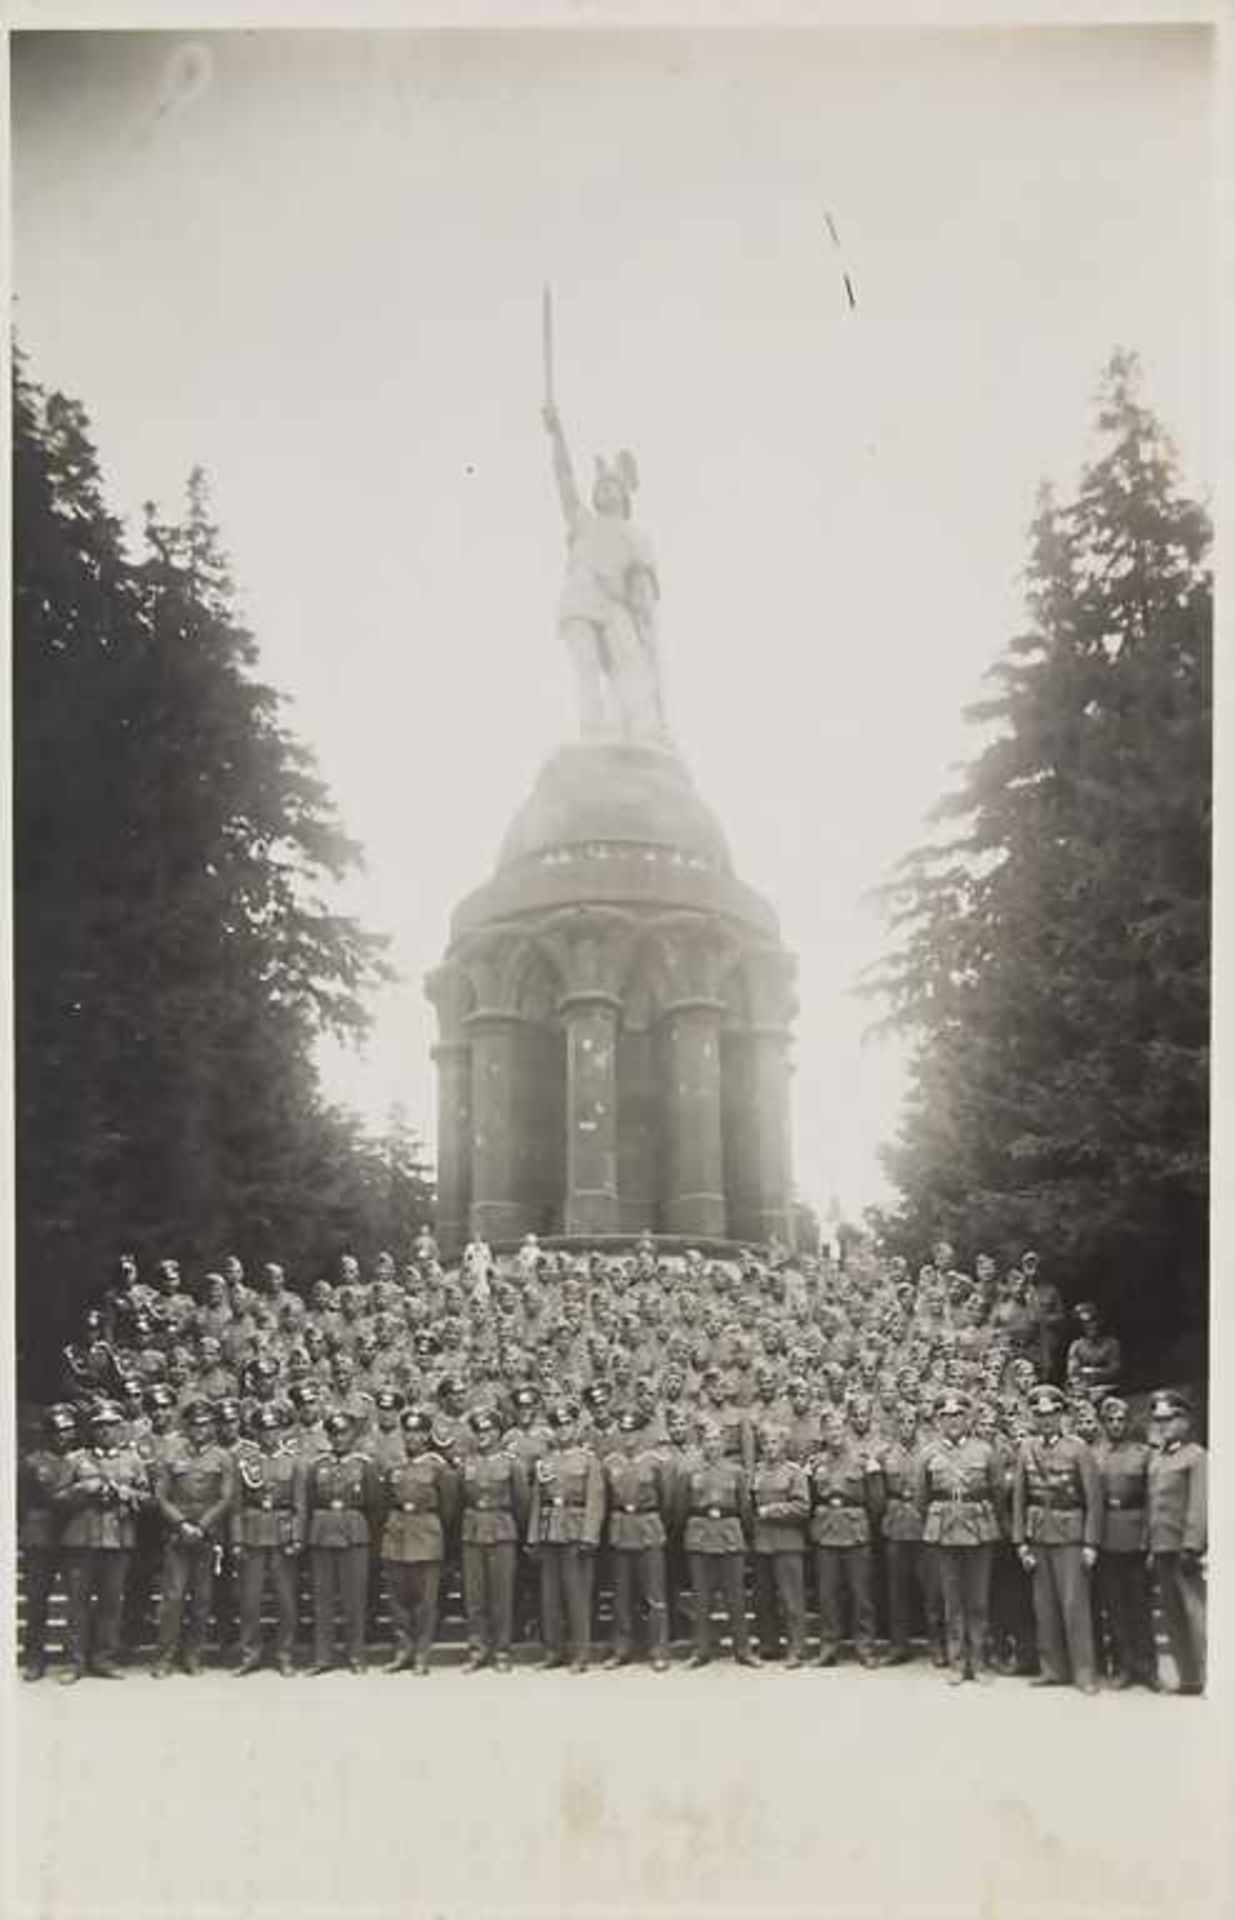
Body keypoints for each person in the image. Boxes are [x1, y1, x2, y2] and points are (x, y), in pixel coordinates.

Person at [542, 402, 667, 746]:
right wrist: (557, 436)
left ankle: (643, 727)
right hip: (581, 599)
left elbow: (642, 587)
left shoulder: (634, 535)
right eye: (600, 488)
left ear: (624, 496)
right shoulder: (583, 523)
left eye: (612, 487)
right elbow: (565, 481)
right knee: (586, 666)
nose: (604, 491)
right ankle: (592, 730)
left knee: (630, 661)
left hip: (615, 605)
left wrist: (643, 622)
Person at [1011, 1383, 1102, 1694]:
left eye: (1051, 1414)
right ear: (1033, 1417)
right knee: (1044, 1607)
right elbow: (1019, 1498)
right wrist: (1020, 1541)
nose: (1046, 1420)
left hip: (1070, 1535)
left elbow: (1094, 1500)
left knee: (1074, 1606)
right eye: (1039, 1415)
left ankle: (1084, 1673)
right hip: (1038, 1534)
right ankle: (1052, 1669)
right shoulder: (1026, 1449)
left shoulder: (1078, 1449)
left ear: (1062, 1415)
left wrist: (1091, 1543)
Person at [55, 1400, 150, 1683]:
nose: (106, 1431)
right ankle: (75, 1662)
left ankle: (103, 1658)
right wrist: (81, 1488)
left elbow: (147, 1499)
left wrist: (126, 1494)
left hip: (118, 1539)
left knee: (111, 1603)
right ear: (92, 1430)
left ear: (121, 1429)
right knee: (77, 1604)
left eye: (112, 1426)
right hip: (81, 1540)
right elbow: (57, 1499)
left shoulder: (133, 1460)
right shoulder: (75, 1459)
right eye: (100, 1426)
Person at [915, 1390, 1002, 1685]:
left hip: (979, 1530)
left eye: (958, 1415)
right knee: (952, 1600)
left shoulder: (985, 1451)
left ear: (968, 1418)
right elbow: (920, 1498)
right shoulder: (927, 1454)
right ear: (938, 1420)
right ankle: (957, 1661)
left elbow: (997, 1491)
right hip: (944, 1532)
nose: (952, 1421)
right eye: (946, 1416)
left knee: (978, 1600)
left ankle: (978, 1661)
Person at [151, 1397, 237, 1677]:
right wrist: (181, 1524)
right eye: (196, 1424)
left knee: (202, 1600)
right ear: (187, 1426)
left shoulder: (223, 1457)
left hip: (207, 1536)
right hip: (178, 1537)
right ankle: (165, 1656)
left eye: (207, 1424)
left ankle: (193, 1655)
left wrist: (201, 1526)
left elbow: (225, 1498)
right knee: (172, 1600)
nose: (201, 1429)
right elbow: (161, 1497)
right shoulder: (172, 1454)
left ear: (213, 1426)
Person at [299, 1410, 379, 1674]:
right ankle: (323, 1656)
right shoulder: (317, 1465)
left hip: (354, 1533)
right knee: (322, 1600)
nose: (338, 1439)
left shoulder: (365, 1464)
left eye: (343, 1433)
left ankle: (356, 1655)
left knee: (354, 1599)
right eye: (333, 1434)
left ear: (353, 1435)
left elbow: (376, 1505)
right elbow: (310, 1502)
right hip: (322, 1533)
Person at [379, 1409, 458, 1675]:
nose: (412, 1438)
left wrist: (437, 1533)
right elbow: (384, 1501)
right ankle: (403, 1650)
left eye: (418, 1433)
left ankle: (422, 1653)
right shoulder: (395, 1465)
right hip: (396, 1534)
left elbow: (449, 1508)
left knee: (425, 1601)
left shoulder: (438, 1466)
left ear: (427, 1436)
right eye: (408, 1432)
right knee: (398, 1600)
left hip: (426, 1535)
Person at [528, 1402, 605, 1673]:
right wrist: (534, 1536)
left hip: (575, 1530)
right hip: (550, 1531)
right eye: (558, 1426)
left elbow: (596, 1499)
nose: (562, 1430)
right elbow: (538, 1500)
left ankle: (581, 1653)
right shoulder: (544, 1461)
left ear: (575, 1426)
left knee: (577, 1596)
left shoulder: (588, 1460)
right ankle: (554, 1651)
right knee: (550, 1597)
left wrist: (589, 1535)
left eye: (567, 1424)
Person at [807, 1408, 881, 1668]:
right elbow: (811, 1499)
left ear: (845, 1431)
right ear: (824, 1434)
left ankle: (865, 1648)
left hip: (855, 1531)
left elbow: (876, 1502)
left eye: (839, 1429)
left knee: (861, 1594)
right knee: (827, 1595)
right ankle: (829, 1648)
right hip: (826, 1533)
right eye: (830, 1430)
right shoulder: (816, 1463)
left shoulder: (861, 1461)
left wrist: (864, 1526)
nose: (835, 1434)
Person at [679, 1420, 757, 1668]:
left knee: (736, 1598)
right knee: (702, 1599)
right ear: (702, 1444)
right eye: (708, 1441)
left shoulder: (736, 1471)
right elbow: (680, 1508)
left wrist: (745, 1535)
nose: (712, 1445)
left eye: (716, 1441)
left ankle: (742, 1651)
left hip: (729, 1536)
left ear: (723, 1445)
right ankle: (701, 1651)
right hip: (700, 1536)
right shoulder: (690, 1472)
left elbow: (745, 1508)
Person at [232, 1403, 301, 1676]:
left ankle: (285, 1654)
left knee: (286, 1600)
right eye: (263, 1430)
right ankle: (251, 1653)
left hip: (283, 1535)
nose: (269, 1435)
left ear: (281, 1431)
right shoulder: (245, 1461)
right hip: (253, 1534)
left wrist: (297, 1537)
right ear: (256, 1432)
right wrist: (237, 1540)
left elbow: (300, 1505)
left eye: (273, 1429)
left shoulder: (293, 1461)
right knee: (250, 1600)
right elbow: (236, 1506)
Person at [1092, 1395, 1156, 1690]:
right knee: (1114, 1607)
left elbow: (1152, 1500)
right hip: (1106, 1537)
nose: (1117, 1425)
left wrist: (1148, 1538)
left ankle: (1149, 1668)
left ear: (1129, 1422)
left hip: (1135, 1536)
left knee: (1140, 1606)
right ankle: (1124, 1666)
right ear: (1103, 1424)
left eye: (1121, 1420)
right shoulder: (1095, 1454)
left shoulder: (1144, 1454)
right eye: (1111, 1420)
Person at [602, 1406, 672, 1672]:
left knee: (654, 1596)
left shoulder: (655, 1462)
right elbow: (608, 1500)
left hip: (648, 1528)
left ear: (642, 1433)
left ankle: (659, 1650)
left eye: (633, 1431)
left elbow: (668, 1501)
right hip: (621, 1529)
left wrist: (654, 1521)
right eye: (624, 1431)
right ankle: (622, 1648)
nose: (628, 1437)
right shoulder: (611, 1463)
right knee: (621, 1595)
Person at [1145, 1389, 1206, 1695]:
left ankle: (1208, 1675)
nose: (1162, 1425)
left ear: (1185, 1420)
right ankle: (1189, 1678)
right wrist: (1150, 1544)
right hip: (1161, 1546)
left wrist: (1192, 1545)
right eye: (1158, 1420)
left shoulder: (1195, 1456)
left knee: (1195, 1614)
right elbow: (1152, 1504)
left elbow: (1198, 1503)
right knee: (1173, 1615)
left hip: (1183, 1548)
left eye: (1168, 1419)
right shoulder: (1158, 1459)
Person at [459, 1407, 529, 1672]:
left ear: (498, 1432)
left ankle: (502, 1651)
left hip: (502, 1531)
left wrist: (518, 1535)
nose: (482, 1436)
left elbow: (522, 1504)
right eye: (478, 1431)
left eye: (488, 1430)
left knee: (501, 1596)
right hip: (473, 1530)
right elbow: (457, 1503)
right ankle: (477, 1649)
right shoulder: (467, 1463)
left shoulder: (512, 1463)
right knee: (475, 1597)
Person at [878, 1400, 943, 1667]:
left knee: (932, 1591)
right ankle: (899, 1645)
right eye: (901, 1421)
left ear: (917, 1425)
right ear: (895, 1424)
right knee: (897, 1592)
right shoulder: (885, 1454)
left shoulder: (929, 1452)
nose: (906, 1426)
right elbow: (877, 1493)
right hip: (895, 1526)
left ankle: (937, 1644)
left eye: (910, 1422)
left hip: (923, 1526)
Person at [19, 1404, 79, 1680]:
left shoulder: (79, 1460)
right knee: (36, 1602)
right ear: (48, 1433)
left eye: (69, 1430)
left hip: (71, 1537)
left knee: (75, 1601)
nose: (65, 1435)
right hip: (40, 1539)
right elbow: (31, 1500)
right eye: (59, 1430)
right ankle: (35, 1659)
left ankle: (72, 1658)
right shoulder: (32, 1463)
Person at [750, 1425, 810, 1667]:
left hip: (788, 1542)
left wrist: (772, 1511)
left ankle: (797, 1648)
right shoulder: (756, 1472)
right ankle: (769, 1645)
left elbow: (802, 1507)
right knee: (763, 1599)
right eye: (765, 1443)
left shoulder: (794, 1473)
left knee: (791, 1600)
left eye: (774, 1442)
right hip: (763, 1543)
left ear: (783, 1445)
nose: (770, 1447)